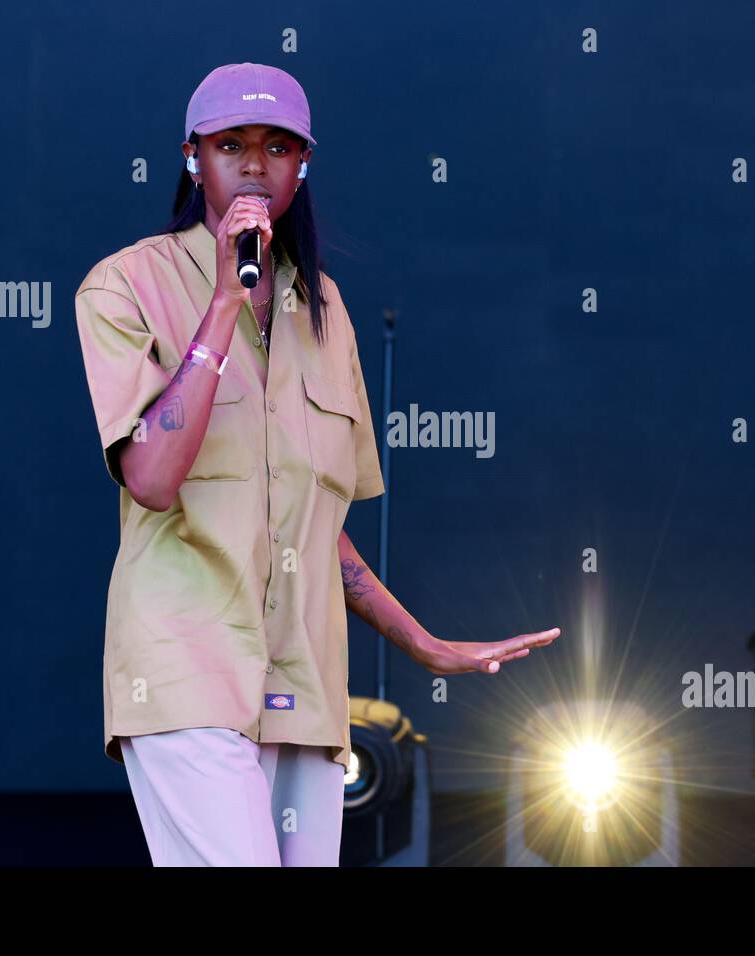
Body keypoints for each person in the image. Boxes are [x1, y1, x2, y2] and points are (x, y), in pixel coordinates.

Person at [73, 62, 561, 866]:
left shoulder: (325, 312)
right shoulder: (125, 285)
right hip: (184, 669)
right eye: (230, 144)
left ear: (304, 166)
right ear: (192, 159)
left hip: (304, 686)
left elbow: (318, 525)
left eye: (277, 146)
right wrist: (225, 303)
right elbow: (153, 478)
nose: (255, 165)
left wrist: (424, 644)